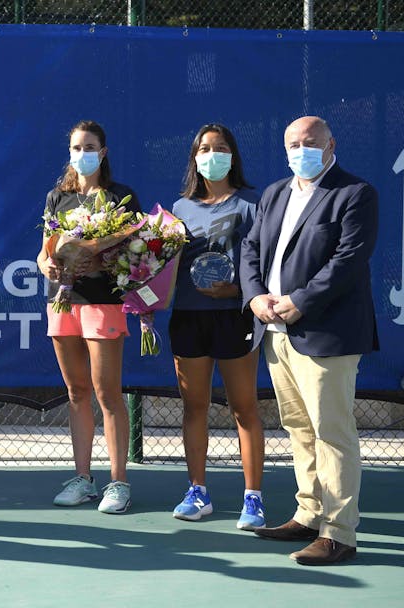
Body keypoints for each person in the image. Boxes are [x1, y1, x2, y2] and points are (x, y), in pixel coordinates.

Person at [241, 116, 378, 565]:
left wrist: (299, 301)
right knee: (299, 429)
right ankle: (309, 514)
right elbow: (251, 249)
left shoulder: (355, 194)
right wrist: (255, 296)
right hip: (276, 333)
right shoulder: (275, 192)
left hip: (326, 335)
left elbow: (348, 261)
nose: (303, 149)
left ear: (331, 144)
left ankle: (340, 534)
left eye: (311, 142)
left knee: (332, 434)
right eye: (294, 143)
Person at [37, 120, 141, 514]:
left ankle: (119, 483)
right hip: (62, 302)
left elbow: (134, 251)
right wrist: (47, 264)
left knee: (107, 393)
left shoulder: (121, 197)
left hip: (104, 303)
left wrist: (98, 251)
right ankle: (83, 479)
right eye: (77, 147)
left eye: (90, 146)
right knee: (77, 393)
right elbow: (43, 251)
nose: (82, 154)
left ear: (103, 152)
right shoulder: (56, 197)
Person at [167, 124, 265, 530]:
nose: (212, 154)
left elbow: (264, 261)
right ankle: (197, 491)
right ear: (195, 157)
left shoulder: (251, 204)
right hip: (188, 317)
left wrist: (238, 289)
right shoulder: (179, 208)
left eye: (220, 148)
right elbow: (164, 267)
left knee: (244, 408)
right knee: (195, 407)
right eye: (205, 148)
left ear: (232, 155)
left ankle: (253, 498)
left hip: (235, 316)